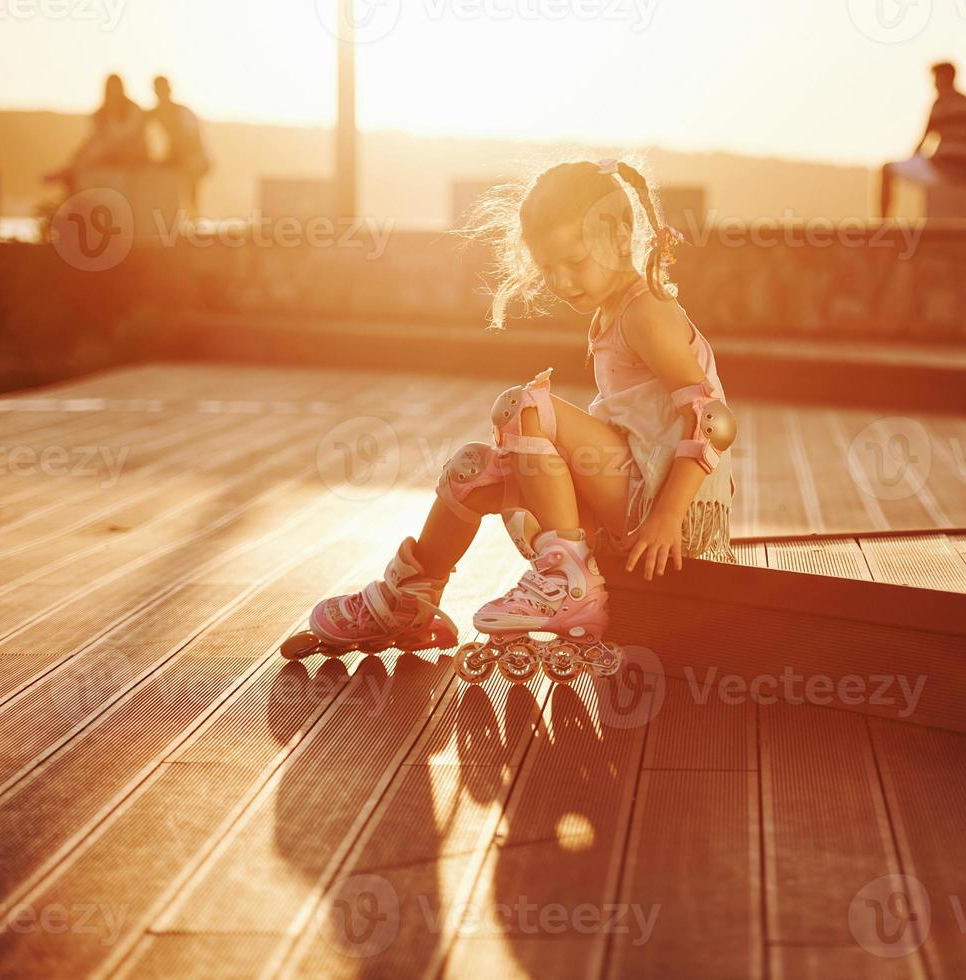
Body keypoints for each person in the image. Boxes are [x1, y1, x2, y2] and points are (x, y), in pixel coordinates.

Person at [290, 158, 738, 681]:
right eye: (547, 267)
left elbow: (715, 419)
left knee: (524, 407)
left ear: (620, 236)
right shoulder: (610, 314)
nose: (561, 279)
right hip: (633, 497)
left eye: (573, 260)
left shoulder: (644, 312)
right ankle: (410, 600)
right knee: (471, 472)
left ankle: (569, 580)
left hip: (671, 515)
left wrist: (666, 518)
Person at [879, 61, 966, 218]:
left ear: (943, 78)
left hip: (946, 170)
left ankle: (882, 224)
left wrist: (912, 160)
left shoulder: (942, 103)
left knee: (887, 169)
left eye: (935, 78)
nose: (934, 83)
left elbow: (924, 140)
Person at [43, 74, 149, 192]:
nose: (114, 93)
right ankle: (69, 170)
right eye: (111, 89)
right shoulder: (101, 113)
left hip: (131, 152)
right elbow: (93, 137)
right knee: (88, 152)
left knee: (95, 152)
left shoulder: (133, 109)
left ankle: (67, 172)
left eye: (116, 89)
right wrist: (79, 154)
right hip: (109, 151)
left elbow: (128, 136)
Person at [149, 76, 210, 214]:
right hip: (178, 159)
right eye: (159, 90)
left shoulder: (182, 112)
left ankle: (192, 217)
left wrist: (174, 157)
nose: (161, 94)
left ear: (169, 90)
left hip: (193, 158)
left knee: (189, 178)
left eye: (163, 89)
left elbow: (192, 141)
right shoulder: (156, 113)